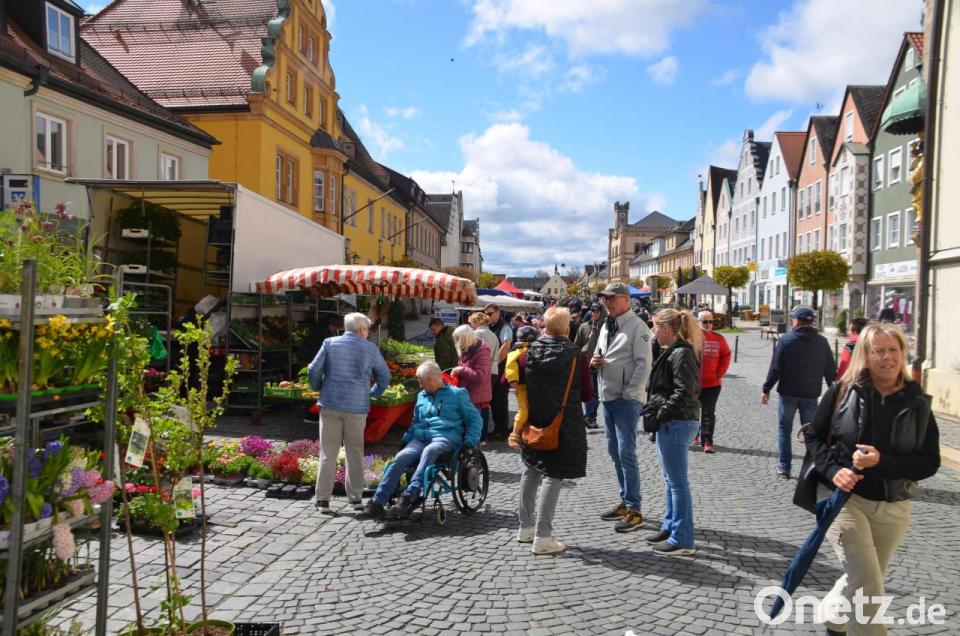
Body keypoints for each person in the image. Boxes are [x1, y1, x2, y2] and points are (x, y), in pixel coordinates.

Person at [803, 323, 940, 633]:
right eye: (878, 351)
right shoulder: (842, 391)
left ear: (903, 353)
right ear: (865, 355)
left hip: (893, 506)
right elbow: (813, 436)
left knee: (867, 575)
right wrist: (834, 471)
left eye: (893, 349)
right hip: (844, 499)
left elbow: (930, 462)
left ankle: (833, 615)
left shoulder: (917, 402)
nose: (887, 357)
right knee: (867, 582)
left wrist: (882, 462)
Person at [359, 361, 483, 520]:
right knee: (401, 457)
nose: (419, 385)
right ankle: (377, 502)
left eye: (421, 381)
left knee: (430, 450)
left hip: (445, 437)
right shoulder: (421, 396)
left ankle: (410, 495)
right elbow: (415, 422)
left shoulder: (457, 394)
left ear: (431, 380)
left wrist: (470, 441)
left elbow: (475, 419)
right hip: (420, 438)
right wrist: (406, 440)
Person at [514, 307, 591, 554]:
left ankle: (525, 527)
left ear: (544, 327)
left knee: (531, 469)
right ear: (567, 328)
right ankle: (543, 536)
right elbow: (587, 394)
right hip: (564, 422)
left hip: (534, 420)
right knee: (553, 474)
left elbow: (514, 381)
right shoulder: (576, 356)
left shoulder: (528, 353)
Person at [308, 312, 391, 513]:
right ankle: (355, 499)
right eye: (367, 329)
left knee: (328, 453)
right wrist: (373, 393)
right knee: (355, 452)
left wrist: (318, 386)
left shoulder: (329, 343)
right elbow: (385, 376)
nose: (368, 333)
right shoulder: (370, 348)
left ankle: (322, 500)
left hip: (330, 403)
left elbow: (313, 369)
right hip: (357, 407)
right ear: (362, 329)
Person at [591, 282, 653, 533]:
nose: (607, 302)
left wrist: (630, 392)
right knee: (614, 451)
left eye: (612, 298)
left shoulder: (638, 326)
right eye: (605, 298)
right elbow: (599, 353)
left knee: (626, 452)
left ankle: (635, 508)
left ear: (626, 300)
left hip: (626, 400)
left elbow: (643, 363)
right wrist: (595, 361)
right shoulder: (608, 325)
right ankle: (625, 501)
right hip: (607, 396)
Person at [643, 309, 702, 556]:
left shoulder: (681, 353)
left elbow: (683, 392)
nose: (653, 333)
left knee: (678, 483)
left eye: (656, 327)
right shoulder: (672, 350)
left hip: (677, 422)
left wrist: (661, 414)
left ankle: (683, 539)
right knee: (670, 481)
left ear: (667, 328)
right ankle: (670, 527)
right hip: (672, 422)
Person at [761, 306, 837, 479]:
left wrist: (766, 389)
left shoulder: (786, 340)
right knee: (812, 434)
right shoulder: (822, 342)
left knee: (784, 430)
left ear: (796, 321)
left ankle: (784, 468)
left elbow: (776, 368)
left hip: (788, 393)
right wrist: (835, 394)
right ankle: (812, 469)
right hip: (811, 394)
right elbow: (830, 371)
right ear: (811, 322)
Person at [694, 310, 731, 453]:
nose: (708, 324)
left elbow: (726, 355)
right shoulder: (692, 338)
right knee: (693, 412)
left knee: (708, 413)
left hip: (713, 384)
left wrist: (720, 372)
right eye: (705, 322)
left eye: (711, 321)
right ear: (698, 322)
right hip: (694, 383)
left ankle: (707, 441)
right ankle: (694, 435)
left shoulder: (719, 339)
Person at [468, 311, 500, 442]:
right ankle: (483, 434)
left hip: (481, 371)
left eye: (471, 323)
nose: (471, 325)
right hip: (493, 370)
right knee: (485, 403)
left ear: (477, 322)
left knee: (476, 402)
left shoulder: (476, 334)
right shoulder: (493, 335)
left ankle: (478, 434)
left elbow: (471, 355)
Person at [505, 325, 539, 445]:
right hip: (523, 386)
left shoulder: (536, 349)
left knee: (530, 410)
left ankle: (529, 432)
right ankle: (514, 433)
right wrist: (513, 380)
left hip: (533, 385)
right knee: (523, 410)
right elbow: (511, 366)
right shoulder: (517, 351)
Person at [484, 303, 515, 439]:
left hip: (501, 369)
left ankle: (502, 430)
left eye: (490, 313)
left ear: (498, 312)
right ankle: (498, 429)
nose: (487, 316)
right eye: (486, 314)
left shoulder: (504, 327)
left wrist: (495, 363)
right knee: (494, 400)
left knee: (500, 400)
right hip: (494, 369)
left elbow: (506, 346)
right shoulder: (491, 326)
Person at [450, 325, 492, 419]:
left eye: (458, 339)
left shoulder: (482, 350)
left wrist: (461, 369)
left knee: (476, 426)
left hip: (477, 400)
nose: (457, 343)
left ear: (466, 339)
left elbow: (480, 376)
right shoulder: (467, 348)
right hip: (467, 397)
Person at [574, 302, 605, 430]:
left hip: (601, 364)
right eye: (593, 311)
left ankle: (591, 416)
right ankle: (589, 417)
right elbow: (577, 344)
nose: (594, 313)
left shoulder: (606, 327)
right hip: (586, 363)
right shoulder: (584, 327)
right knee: (589, 391)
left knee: (598, 393)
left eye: (597, 311)